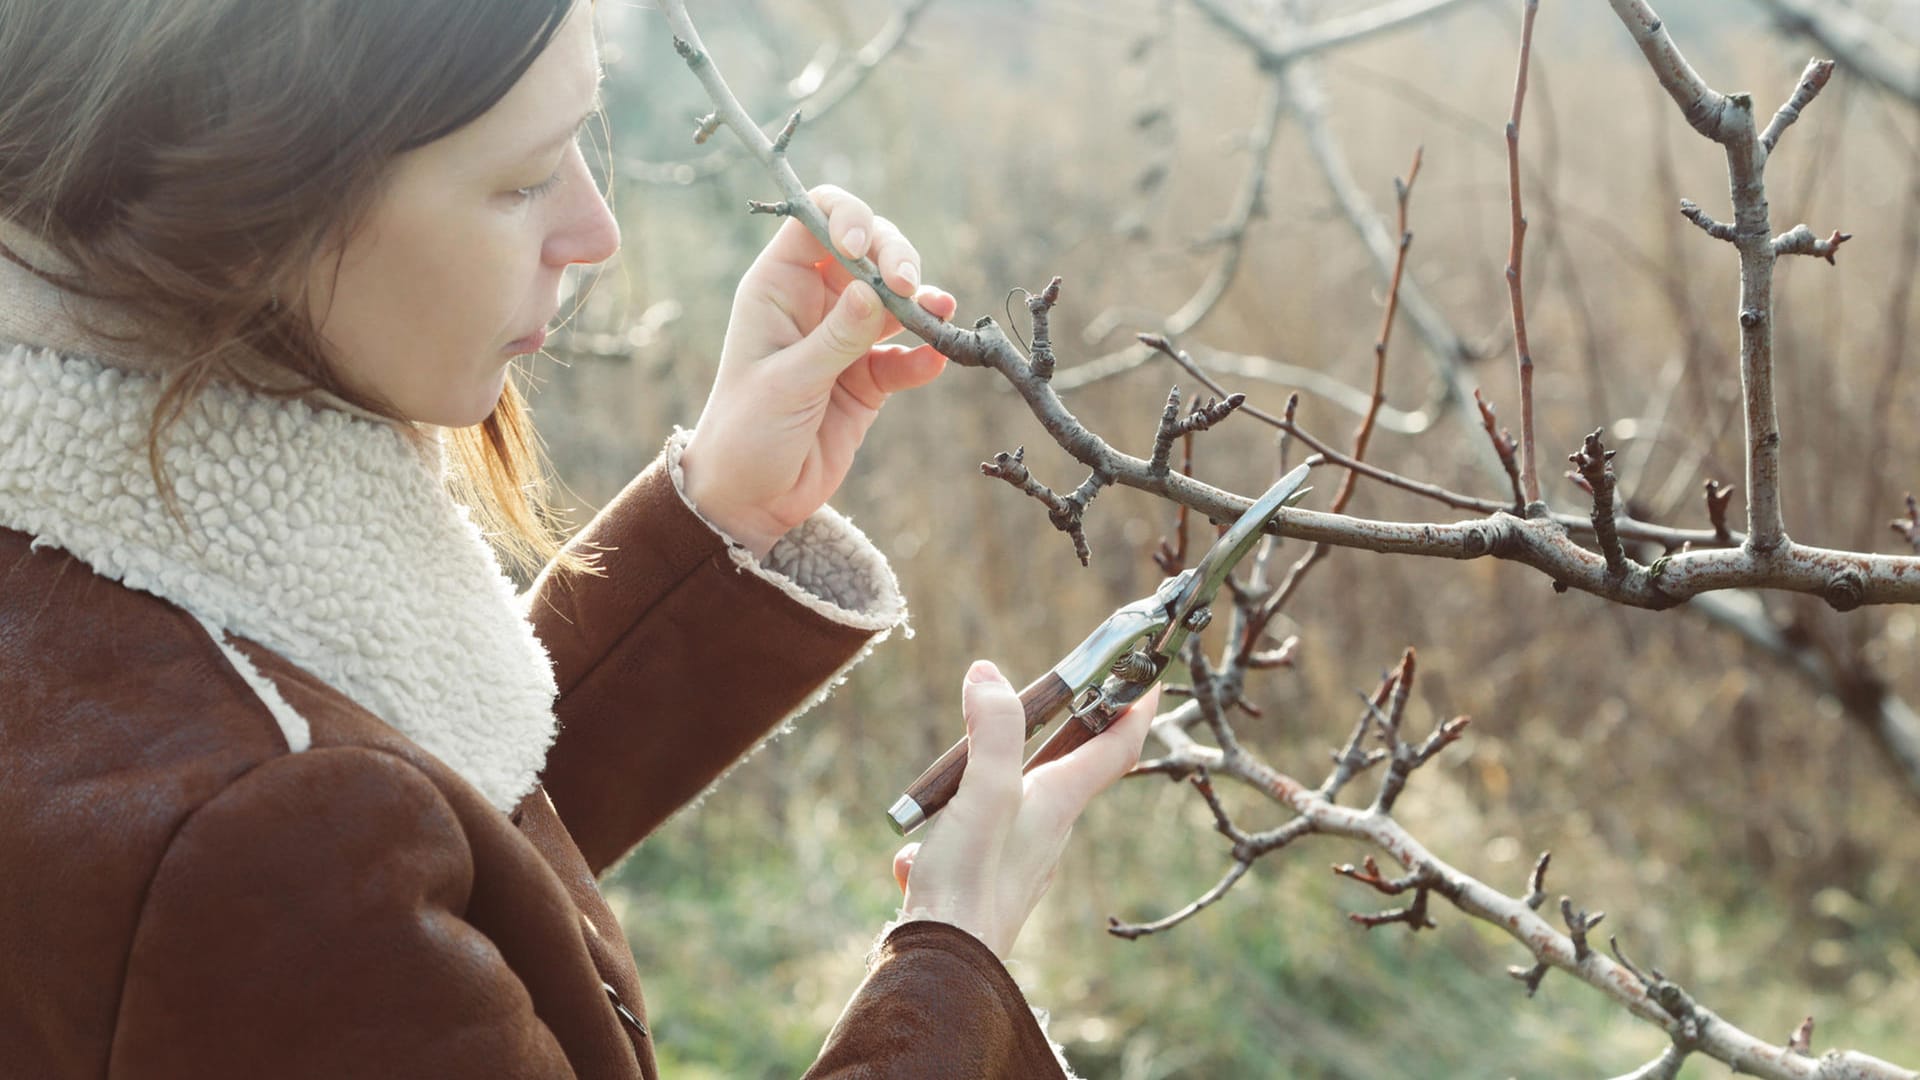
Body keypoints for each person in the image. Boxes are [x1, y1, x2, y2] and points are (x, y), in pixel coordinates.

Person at [0, 1, 1158, 1077]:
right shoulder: (253, 842)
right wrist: (957, 962)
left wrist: (724, 513)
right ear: (256, 200)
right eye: (520, 180)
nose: (594, 232)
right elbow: (327, 868)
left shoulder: (97, 578)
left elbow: (427, 877)